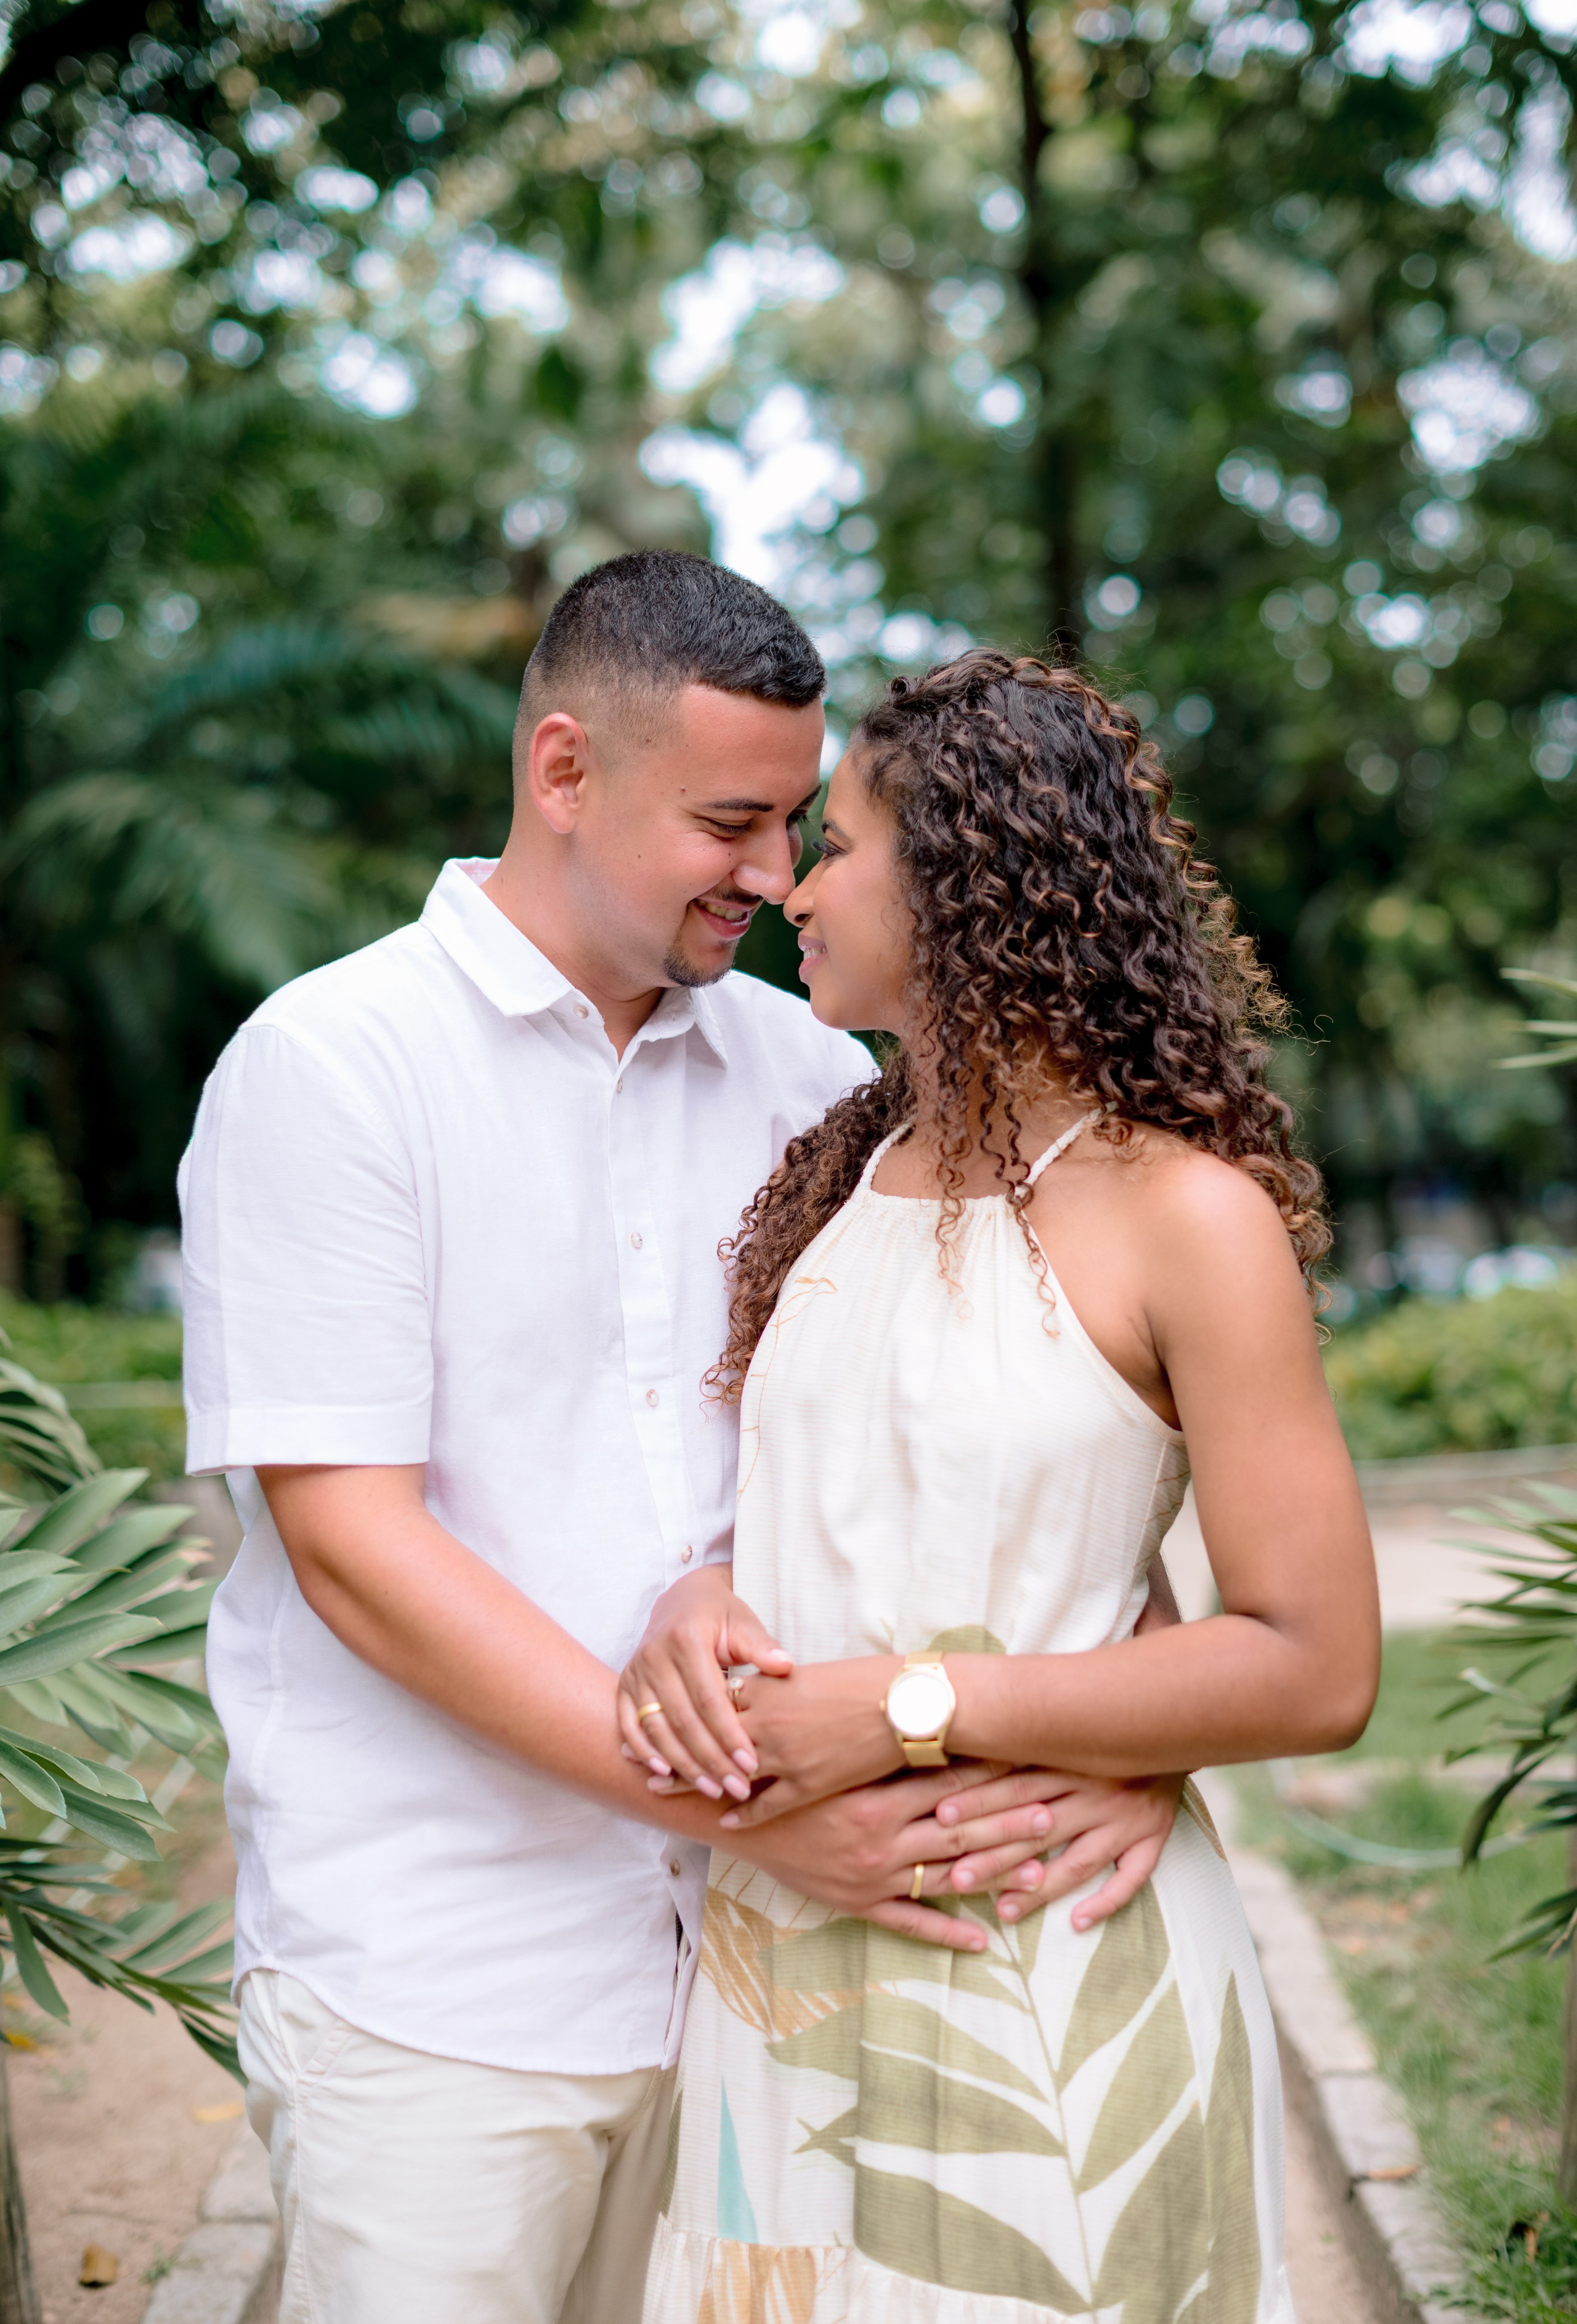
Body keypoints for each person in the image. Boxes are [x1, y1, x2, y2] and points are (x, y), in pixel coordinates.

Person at [177, 557, 1183, 2324]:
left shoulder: (817, 1084)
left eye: (800, 823)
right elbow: (357, 1548)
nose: (777, 874)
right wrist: (752, 1815)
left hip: (782, 1979)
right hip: (447, 1983)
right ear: (564, 770)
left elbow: (926, 1442)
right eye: (732, 820)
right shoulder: (335, 1067)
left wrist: (1127, 1733)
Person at [620, 651, 1380, 2323]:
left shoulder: (1186, 1213)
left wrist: (913, 1706)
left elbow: (1316, 1660)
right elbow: (842, 1509)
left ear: (967, 874)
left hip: (1045, 1977)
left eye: (834, 842)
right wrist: (698, 1591)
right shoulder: (839, 1170)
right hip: (781, 1970)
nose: (791, 888)